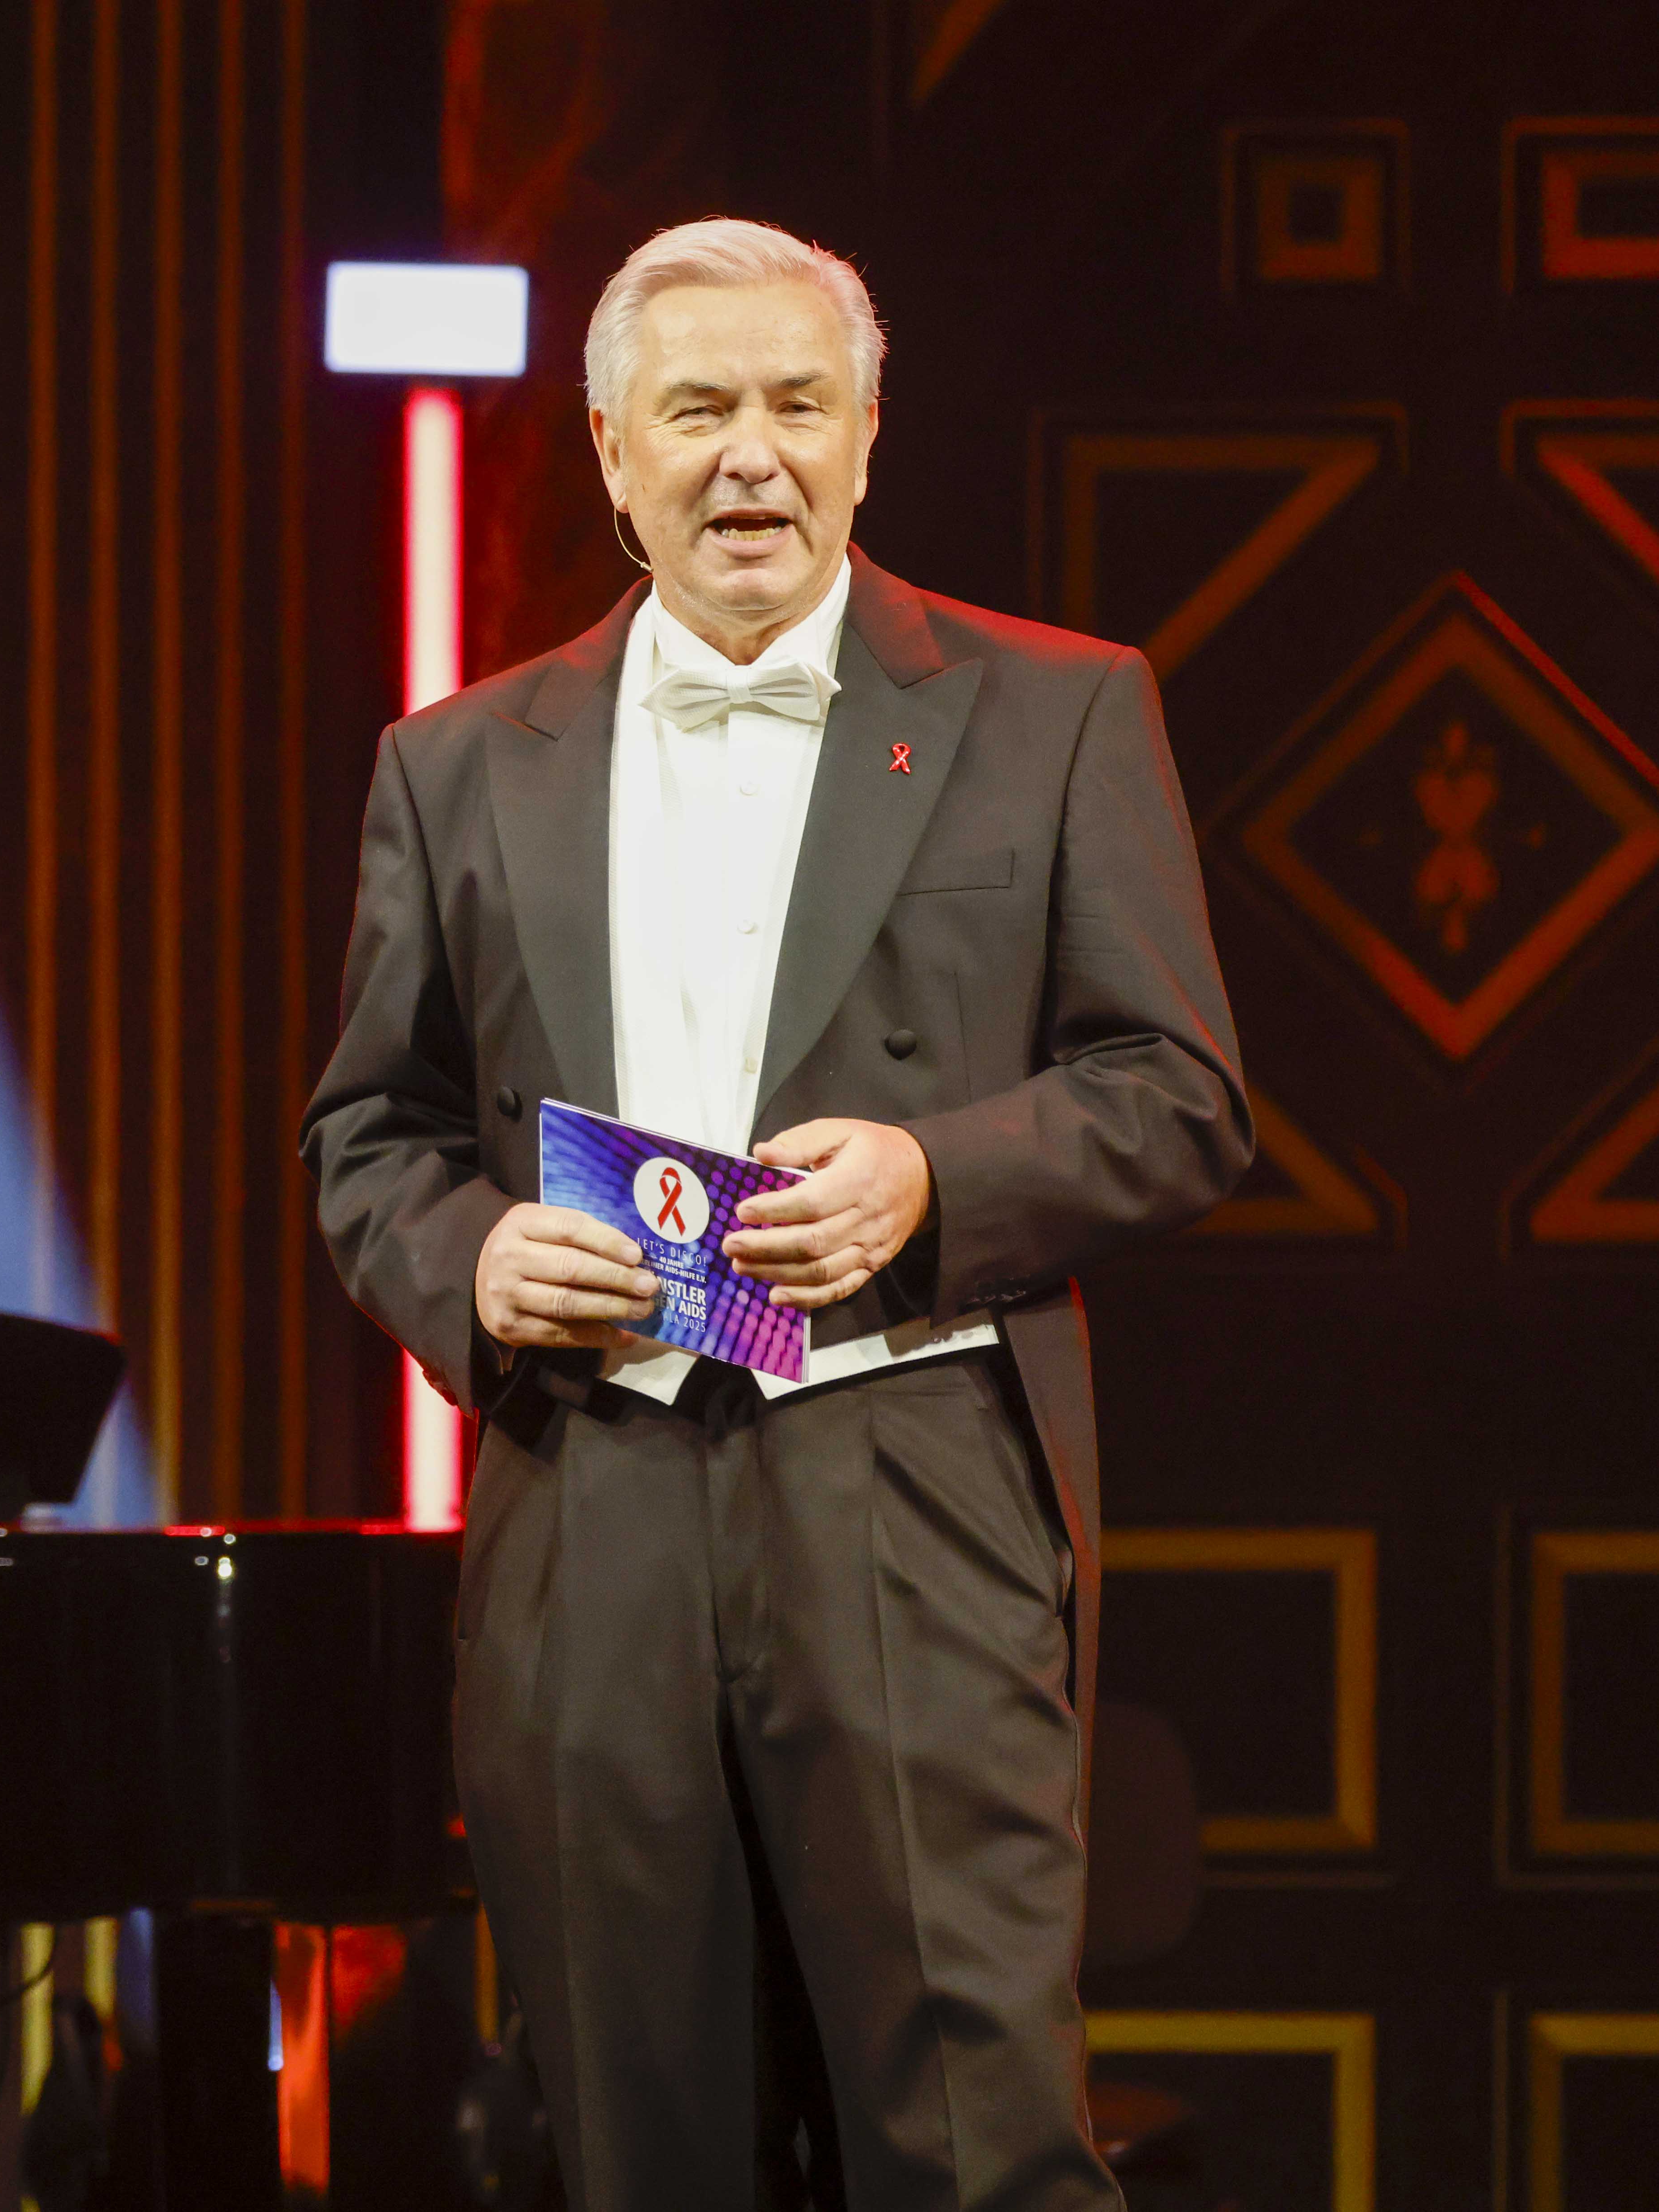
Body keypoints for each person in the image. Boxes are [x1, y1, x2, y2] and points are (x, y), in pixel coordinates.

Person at [303, 219, 1250, 2209]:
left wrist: (935, 1178)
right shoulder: (458, 762)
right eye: (700, 408)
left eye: (798, 404)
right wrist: (472, 1258)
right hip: (593, 1502)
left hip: (909, 1484)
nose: (752, 453)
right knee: (637, 2142)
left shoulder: (1055, 709)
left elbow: (1179, 1094)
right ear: (609, 449)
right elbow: (368, 1135)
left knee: (973, 2145)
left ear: (868, 435)